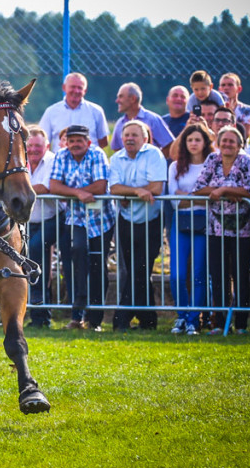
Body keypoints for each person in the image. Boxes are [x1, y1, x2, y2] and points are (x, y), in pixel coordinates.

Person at [48, 124, 115, 330]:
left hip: (100, 220)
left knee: (97, 264)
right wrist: (78, 193)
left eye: (79, 140)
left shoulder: (97, 154)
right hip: (75, 218)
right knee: (76, 255)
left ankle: (94, 319)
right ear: (66, 142)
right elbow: (53, 185)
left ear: (88, 142)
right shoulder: (61, 156)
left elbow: (100, 185)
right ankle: (77, 315)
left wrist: (70, 190)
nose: (75, 144)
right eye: (71, 140)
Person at [193, 126, 250, 334]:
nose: (227, 144)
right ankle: (220, 323)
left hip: (242, 229)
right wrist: (227, 192)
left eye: (232, 141)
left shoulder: (245, 160)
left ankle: (240, 324)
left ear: (240, 144)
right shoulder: (212, 159)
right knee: (218, 275)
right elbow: (199, 188)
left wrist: (223, 190)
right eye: (224, 140)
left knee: (240, 275)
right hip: (215, 228)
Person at [108, 121, 167, 331]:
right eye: (126, 135)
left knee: (141, 267)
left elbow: (157, 187)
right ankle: (147, 319)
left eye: (135, 135)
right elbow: (114, 188)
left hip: (151, 220)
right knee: (135, 269)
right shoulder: (116, 158)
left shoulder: (154, 155)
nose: (130, 138)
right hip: (126, 219)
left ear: (145, 139)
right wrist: (137, 192)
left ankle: (121, 318)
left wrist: (128, 192)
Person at [167, 123, 212, 335]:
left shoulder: (212, 165)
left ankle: (195, 319)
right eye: (190, 140)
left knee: (199, 273)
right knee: (176, 274)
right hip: (181, 220)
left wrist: (189, 197)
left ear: (205, 143)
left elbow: (212, 198)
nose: (193, 143)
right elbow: (174, 200)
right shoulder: (175, 166)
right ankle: (181, 316)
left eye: (198, 140)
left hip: (205, 221)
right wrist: (199, 196)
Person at [24, 126, 57, 327]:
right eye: (30, 145)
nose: (33, 149)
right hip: (25, 222)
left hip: (51, 218)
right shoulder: (19, 158)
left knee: (35, 253)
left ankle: (41, 311)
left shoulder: (52, 160)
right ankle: (37, 315)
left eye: (38, 145)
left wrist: (16, 187)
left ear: (47, 146)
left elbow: (46, 187)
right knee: (29, 262)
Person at [39, 73, 109, 148]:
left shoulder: (96, 111)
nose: (76, 91)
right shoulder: (51, 112)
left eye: (80, 88)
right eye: (72, 87)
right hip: (61, 159)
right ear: (64, 87)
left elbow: (103, 141)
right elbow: (42, 141)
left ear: (85, 90)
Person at [110, 82, 174, 154]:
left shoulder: (152, 119)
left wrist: (155, 160)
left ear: (133, 99)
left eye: (121, 96)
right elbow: (116, 149)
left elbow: (169, 145)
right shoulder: (120, 123)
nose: (117, 100)